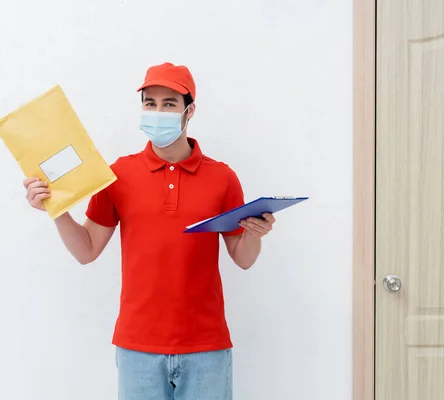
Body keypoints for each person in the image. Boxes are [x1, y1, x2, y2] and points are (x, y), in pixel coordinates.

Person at [22, 62, 276, 400]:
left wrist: (254, 235)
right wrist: (56, 210)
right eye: (150, 103)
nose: (157, 112)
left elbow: (243, 259)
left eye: (169, 104)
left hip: (206, 348)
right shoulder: (117, 175)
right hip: (136, 348)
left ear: (190, 111)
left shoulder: (222, 178)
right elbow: (86, 250)